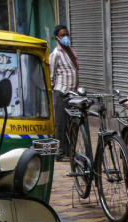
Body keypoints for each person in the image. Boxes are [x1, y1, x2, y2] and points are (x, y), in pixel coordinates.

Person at [49, 24, 78, 161]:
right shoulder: (56, 54)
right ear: (57, 38)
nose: (66, 37)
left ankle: (69, 151)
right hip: (61, 92)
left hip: (73, 94)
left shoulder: (71, 51)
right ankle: (59, 153)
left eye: (67, 34)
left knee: (71, 124)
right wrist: (55, 91)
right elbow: (51, 75)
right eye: (62, 35)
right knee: (60, 124)